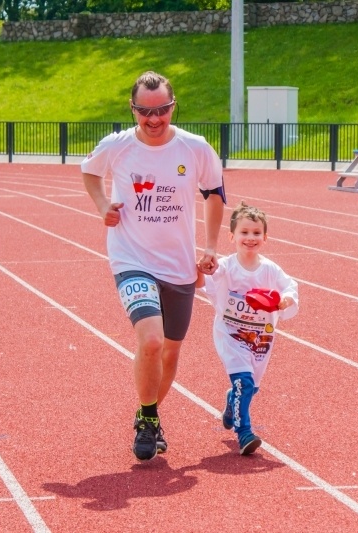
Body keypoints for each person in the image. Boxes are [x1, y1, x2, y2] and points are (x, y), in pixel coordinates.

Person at [81, 71, 225, 461]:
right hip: (132, 259)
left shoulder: (194, 148)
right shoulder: (118, 146)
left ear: (173, 106)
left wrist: (211, 246)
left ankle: (149, 411)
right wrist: (101, 206)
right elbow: (90, 172)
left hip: (178, 264)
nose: (154, 119)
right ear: (133, 109)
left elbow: (214, 194)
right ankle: (148, 420)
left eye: (161, 109)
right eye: (145, 111)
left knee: (170, 353)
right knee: (152, 341)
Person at [196, 201, 298, 455]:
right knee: (243, 380)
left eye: (256, 233)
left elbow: (289, 287)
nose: (250, 238)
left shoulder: (270, 269)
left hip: (260, 338)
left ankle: (232, 401)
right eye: (244, 232)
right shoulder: (227, 267)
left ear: (265, 237)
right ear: (232, 236)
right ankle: (244, 433)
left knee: (250, 386)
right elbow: (204, 283)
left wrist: (286, 299)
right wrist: (202, 268)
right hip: (230, 334)